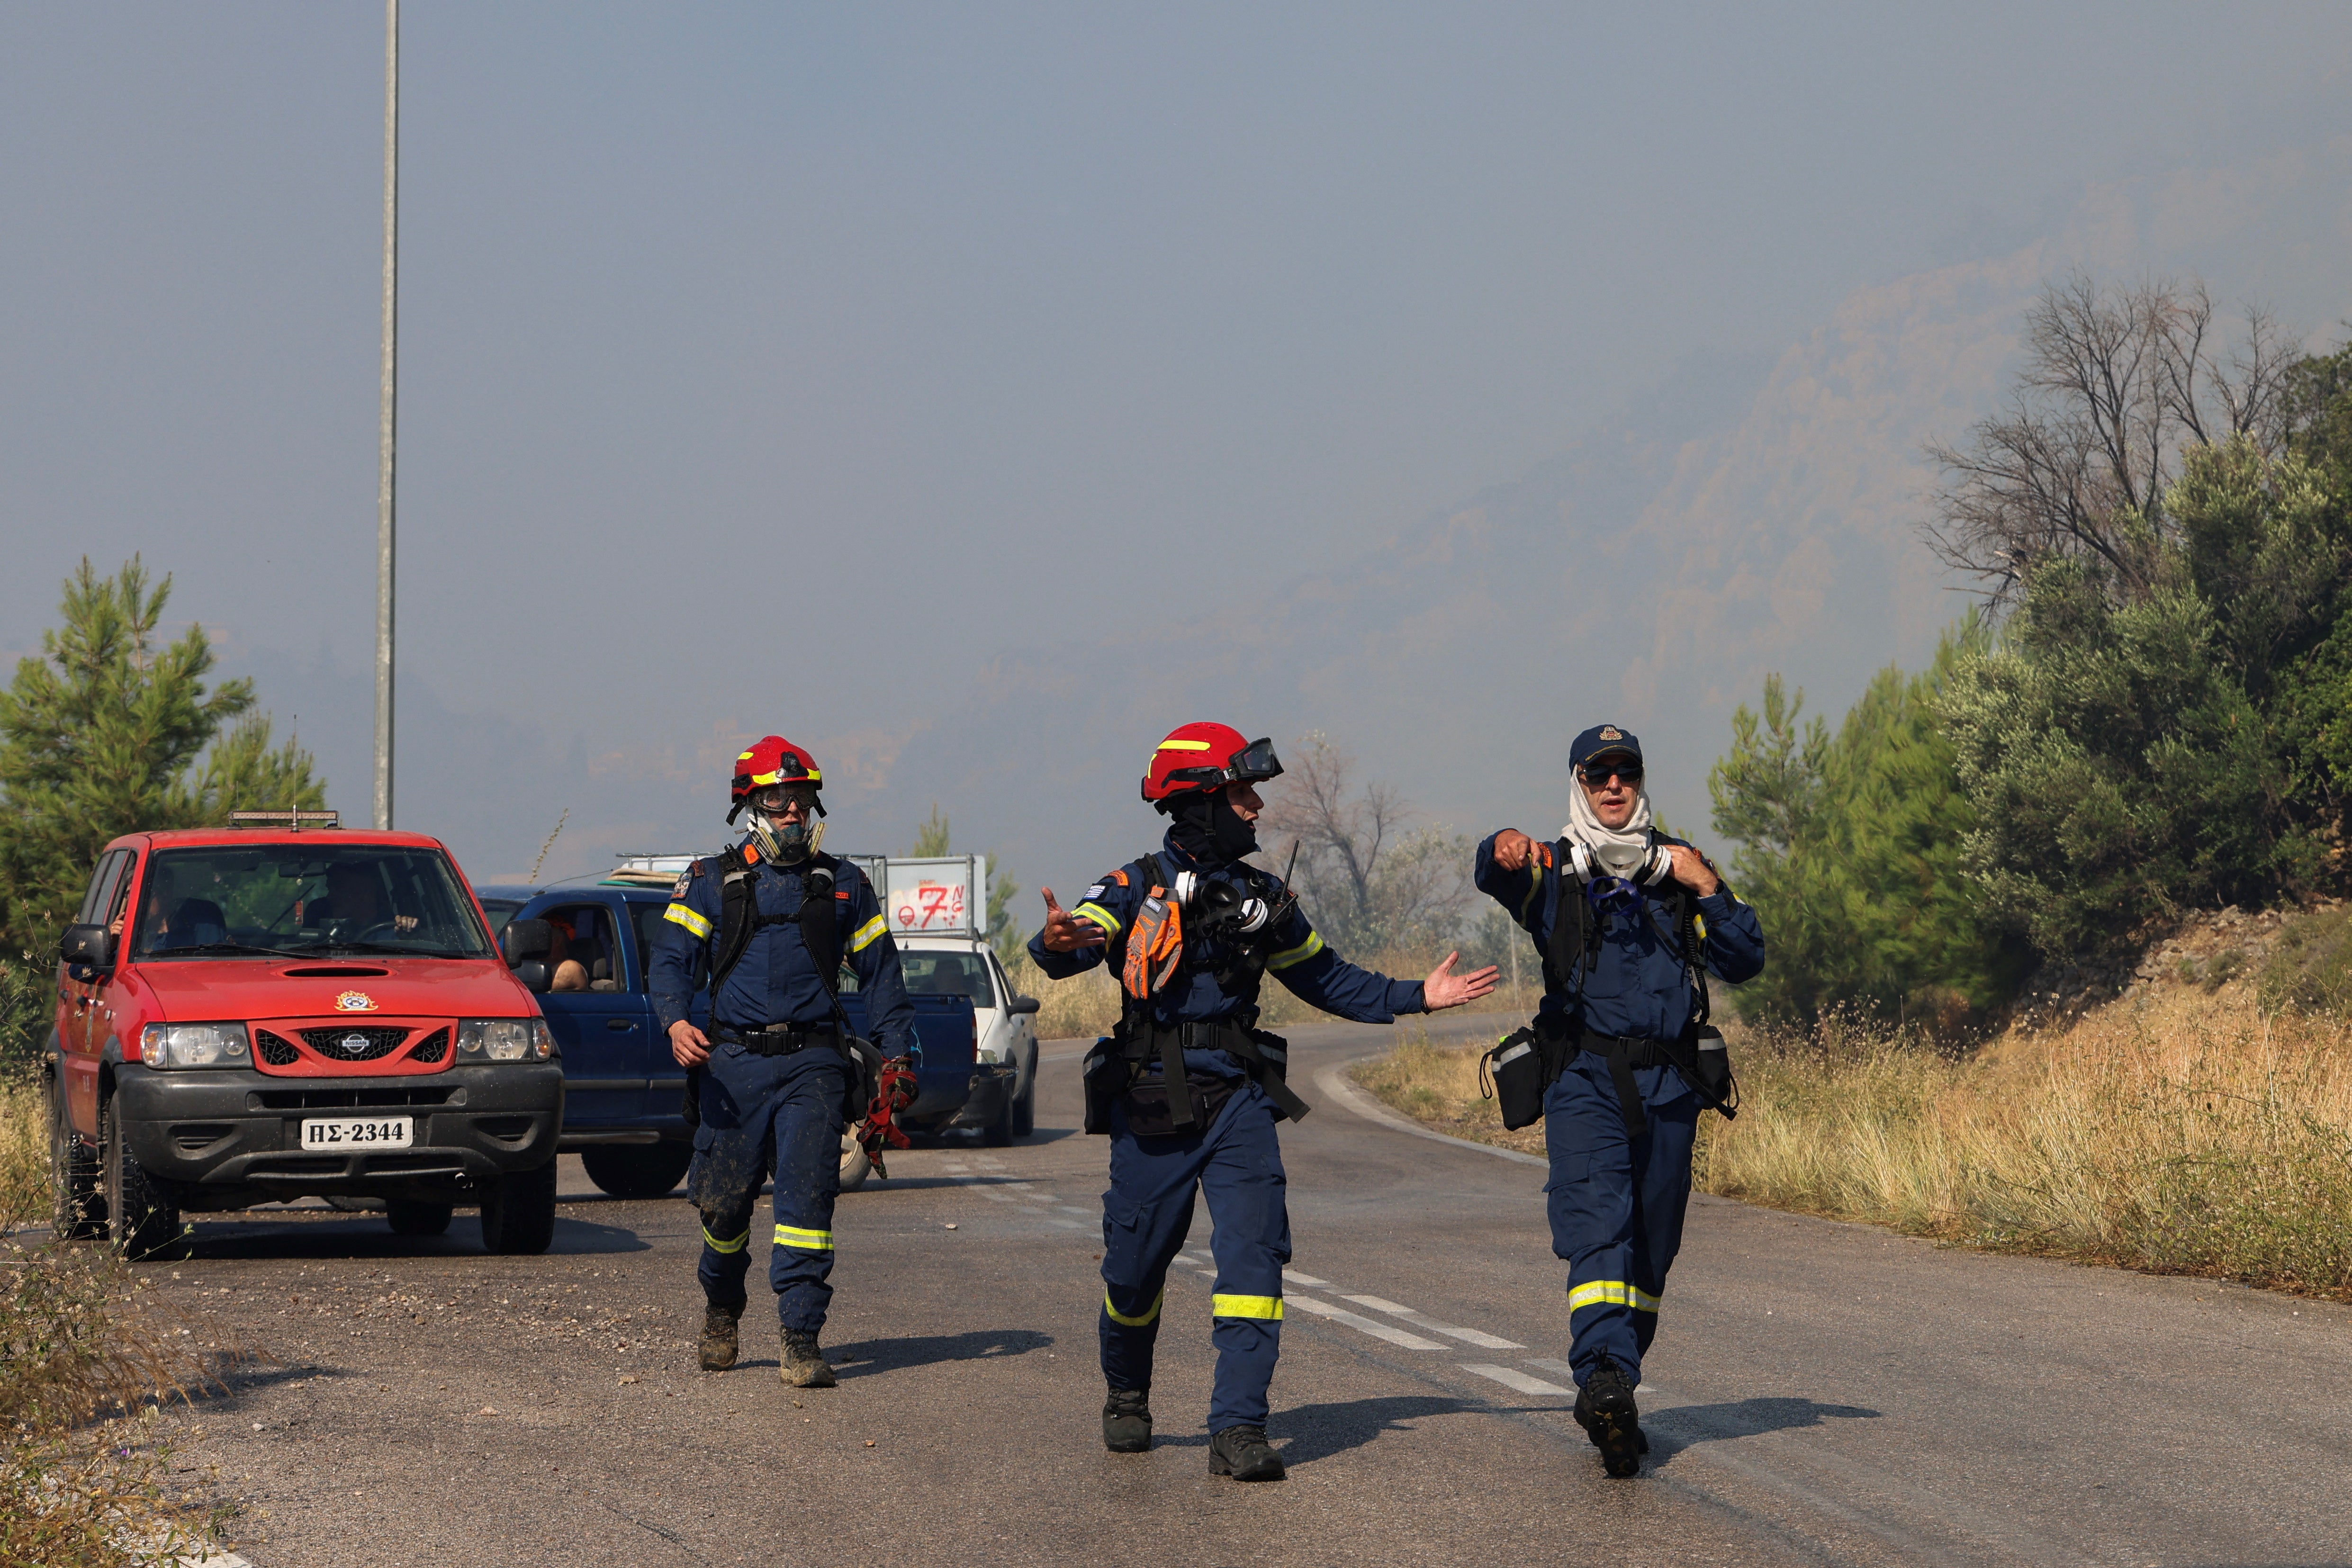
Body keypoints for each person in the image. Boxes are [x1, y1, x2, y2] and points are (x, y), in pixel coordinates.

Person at [1031, 723, 1497, 1482]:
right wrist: (1057, 941)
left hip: (1242, 1100)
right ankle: (1126, 1390)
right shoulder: (1130, 884)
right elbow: (1077, 940)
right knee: (1133, 1271)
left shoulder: (1262, 898)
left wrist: (1420, 996)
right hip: (1151, 1099)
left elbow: (1331, 980)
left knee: (1254, 1256)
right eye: (1242, 793)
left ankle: (1239, 1425)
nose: (1255, 808)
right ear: (1200, 799)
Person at [1473, 723, 1763, 1478]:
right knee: (1597, 1228)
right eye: (1597, 774)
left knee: (1652, 1248)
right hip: (1584, 1081)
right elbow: (1495, 870)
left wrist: (1707, 887)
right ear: (1576, 780)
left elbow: (1746, 957)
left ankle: (1619, 1388)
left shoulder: (1679, 865)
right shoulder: (1552, 867)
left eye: (1624, 773)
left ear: (1639, 780)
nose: (1612, 786)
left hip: (1670, 1086)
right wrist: (1500, 844)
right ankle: (1601, 1373)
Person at [649, 735, 918, 1389]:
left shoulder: (845, 885)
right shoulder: (709, 881)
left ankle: (801, 1337)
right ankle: (722, 1307)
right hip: (732, 1067)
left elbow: (882, 978)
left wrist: (900, 1058)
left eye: (801, 800)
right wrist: (677, 1021)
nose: (793, 811)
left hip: (814, 1068)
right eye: (778, 799)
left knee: (806, 1206)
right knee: (724, 1211)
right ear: (750, 806)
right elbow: (669, 964)